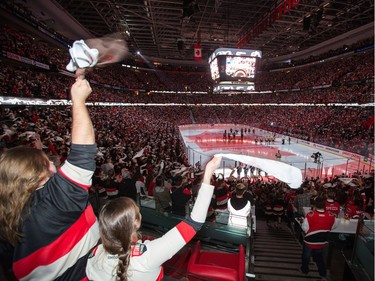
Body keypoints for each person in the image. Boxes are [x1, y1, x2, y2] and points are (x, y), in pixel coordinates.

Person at [0, 78, 99, 280]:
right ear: (36, 176)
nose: (55, 164)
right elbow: (83, 153)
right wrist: (78, 101)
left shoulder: (9, 212)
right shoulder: (55, 203)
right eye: (49, 162)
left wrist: (37, 152)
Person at [86, 155, 222, 281]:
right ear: (136, 222)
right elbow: (194, 223)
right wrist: (208, 172)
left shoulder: (94, 255)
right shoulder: (149, 255)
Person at [300, 197, 337, 281]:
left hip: (310, 242)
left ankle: (304, 270)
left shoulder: (310, 215)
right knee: (319, 258)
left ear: (315, 205)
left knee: (306, 257)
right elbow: (334, 226)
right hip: (322, 241)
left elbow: (305, 228)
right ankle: (323, 275)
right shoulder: (331, 215)